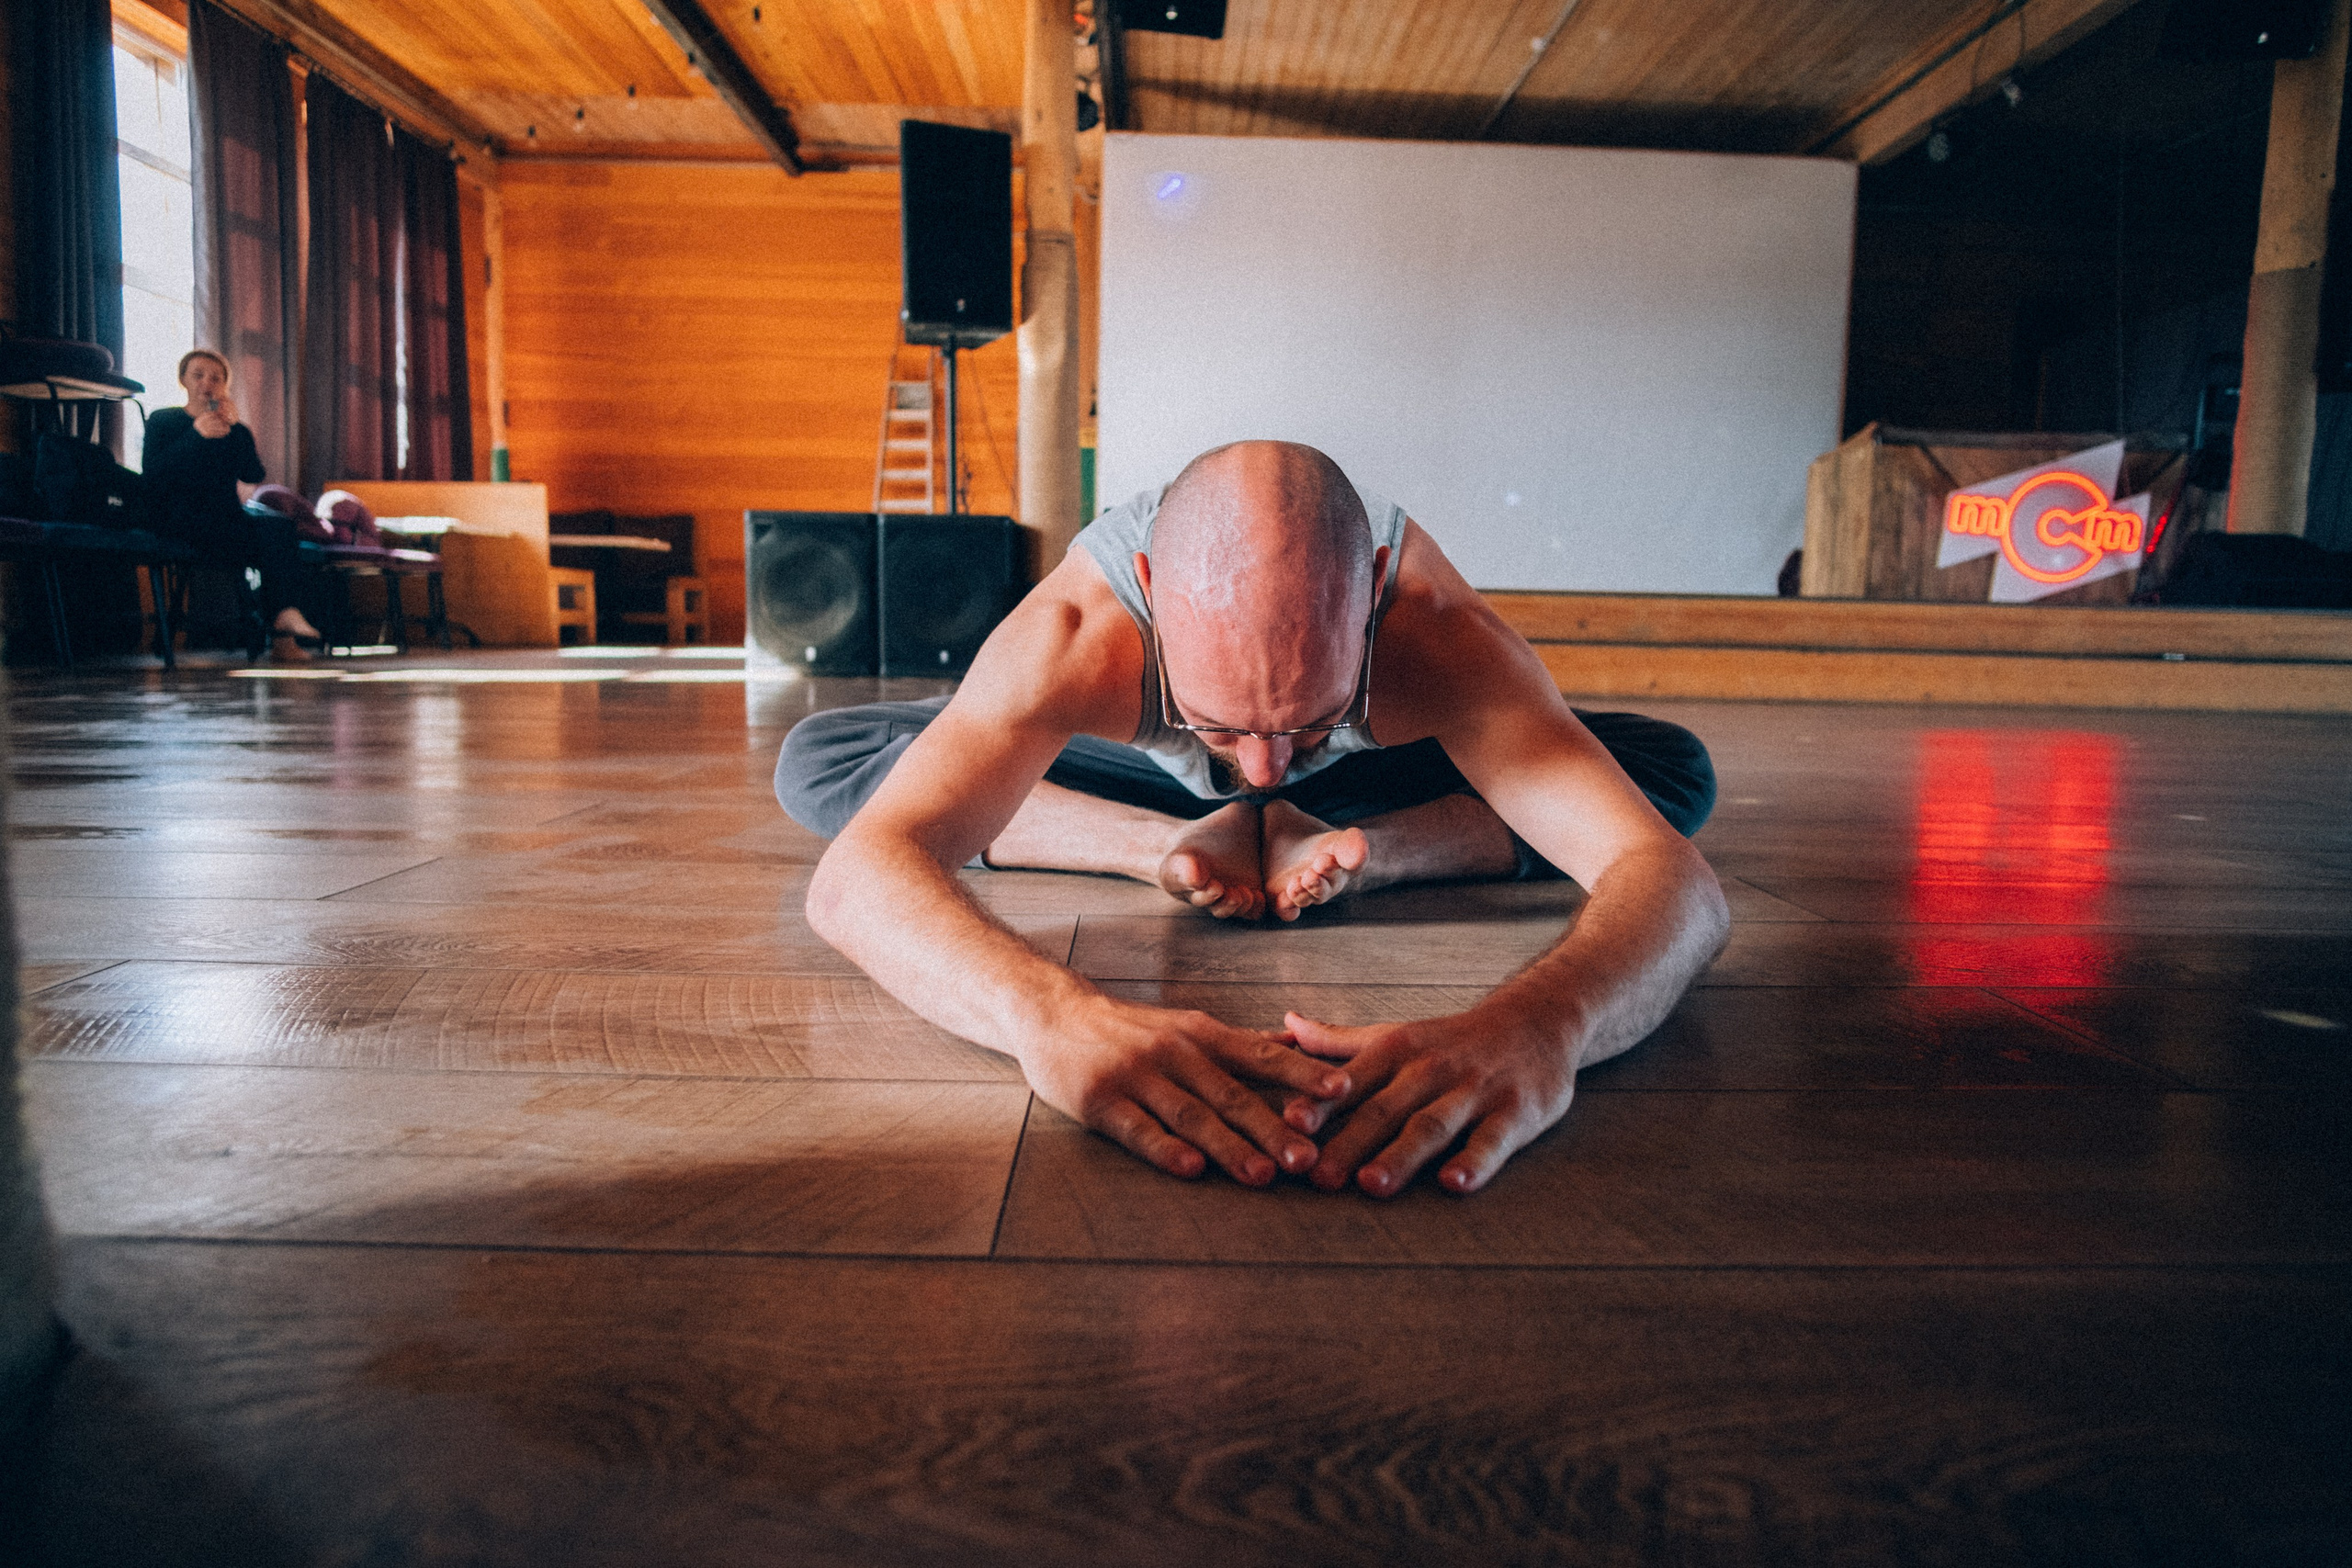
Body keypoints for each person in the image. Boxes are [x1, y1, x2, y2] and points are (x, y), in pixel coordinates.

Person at [779, 441, 1730, 1198]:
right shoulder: (1073, 636)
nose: (1264, 767)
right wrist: (1048, 1016)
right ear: (1150, 593)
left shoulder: (1439, 637)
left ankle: (1367, 852)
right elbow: (858, 878)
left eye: (1310, 720)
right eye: (1223, 723)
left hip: (1360, 787)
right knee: (824, 756)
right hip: (1150, 784)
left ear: (1375, 595)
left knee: (1668, 769)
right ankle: (1157, 847)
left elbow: (1674, 879)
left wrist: (1543, 1024)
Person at [141, 349, 320, 660]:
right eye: (198, 375)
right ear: (183, 380)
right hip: (179, 520)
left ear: (224, 385)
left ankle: (284, 627)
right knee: (256, 536)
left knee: (279, 528)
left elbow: (253, 474)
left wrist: (237, 432)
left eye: (216, 377)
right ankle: (280, 634)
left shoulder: (234, 430)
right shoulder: (164, 421)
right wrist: (196, 436)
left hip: (225, 520)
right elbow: (153, 475)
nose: (207, 383)